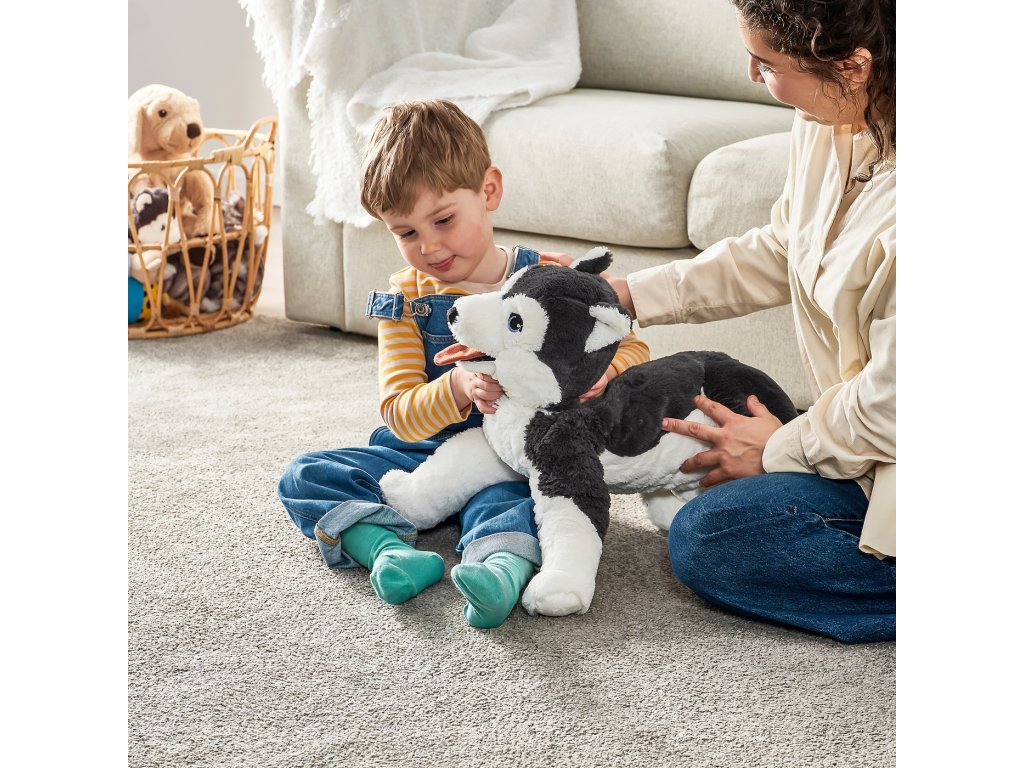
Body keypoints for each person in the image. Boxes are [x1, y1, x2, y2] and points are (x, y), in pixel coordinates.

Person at [554, 0, 896, 644]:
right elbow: (786, 247)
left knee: (711, 538)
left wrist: (780, 450)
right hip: (874, 446)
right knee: (718, 505)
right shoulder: (832, 119)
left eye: (766, 63)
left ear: (853, 67)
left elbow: (898, 404)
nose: (750, 76)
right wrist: (628, 294)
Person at [278, 100, 650, 629]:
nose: (429, 246)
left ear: (489, 191)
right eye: (406, 233)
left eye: (443, 220)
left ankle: (498, 573)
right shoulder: (405, 301)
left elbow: (629, 345)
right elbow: (399, 413)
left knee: (521, 499)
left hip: (514, 455)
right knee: (306, 476)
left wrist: (606, 374)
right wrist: (455, 386)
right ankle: (385, 551)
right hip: (421, 451)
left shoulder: (546, 280)